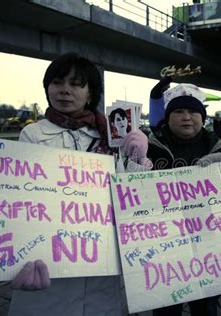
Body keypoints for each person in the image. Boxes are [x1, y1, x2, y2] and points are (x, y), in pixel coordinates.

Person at [9, 53, 149, 315]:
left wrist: (138, 160)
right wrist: (12, 261)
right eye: (57, 82)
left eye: (76, 83)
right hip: (50, 257)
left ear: (90, 92)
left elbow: (129, 196)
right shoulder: (33, 134)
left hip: (101, 258)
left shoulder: (111, 135)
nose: (64, 90)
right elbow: (18, 202)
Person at [123, 83, 221, 315]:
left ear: (202, 117)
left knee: (205, 307)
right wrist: (135, 162)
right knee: (166, 307)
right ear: (168, 116)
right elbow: (128, 192)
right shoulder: (149, 146)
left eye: (194, 112)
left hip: (209, 243)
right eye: (178, 111)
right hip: (162, 246)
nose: (187, 117)